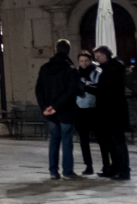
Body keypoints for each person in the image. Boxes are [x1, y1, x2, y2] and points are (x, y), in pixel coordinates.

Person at [36, 40, 81, 180]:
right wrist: (56, 107)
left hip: (50, 112)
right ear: (68, 50)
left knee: (54, 140)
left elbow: (39, 89)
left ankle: (53, 171)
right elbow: (71, 91)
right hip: (66, 111)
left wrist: (45, 107)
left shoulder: (45, 68)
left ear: (56, 49)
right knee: (67, 141)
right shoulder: (70, 69)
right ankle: (67, 172)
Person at [88, 46, 131, 180]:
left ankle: (123, 170)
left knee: (118, 142)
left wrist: (88, 88)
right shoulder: (109, 68)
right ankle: (115, 168)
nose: (96, 59)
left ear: (105, 55)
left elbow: (106, 90)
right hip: (111, 111)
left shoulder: (112, 70)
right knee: (112, 142)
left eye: (98, 56)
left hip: (114, 111)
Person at [75, 52, 100, 176]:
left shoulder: (96, 73)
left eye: (86, 60)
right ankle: (88, 165)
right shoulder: (76, 74)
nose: (84, 63)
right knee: (83, 140)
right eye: (81, 61)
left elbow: (99, 89)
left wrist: (85, 87)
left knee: (101, 139)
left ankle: (107, 164)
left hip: (94, 109)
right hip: (80, 109)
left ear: (90, 61)